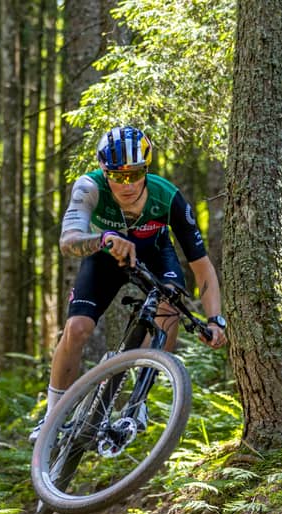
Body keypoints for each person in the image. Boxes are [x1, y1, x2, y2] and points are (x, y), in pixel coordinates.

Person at [31, 125, 227, 442]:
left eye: (135, 174)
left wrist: (216, 319)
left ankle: (138, 405)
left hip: (155, 253)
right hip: (104, 254)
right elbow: (68, 241)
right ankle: (53, 418)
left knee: (171, 302)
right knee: (78, 328)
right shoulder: (89, 187)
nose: (128, 183)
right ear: (104, 171)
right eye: (118, 176)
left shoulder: (167, 196)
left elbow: (202, 266)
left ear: (145, 170)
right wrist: (105, 239)